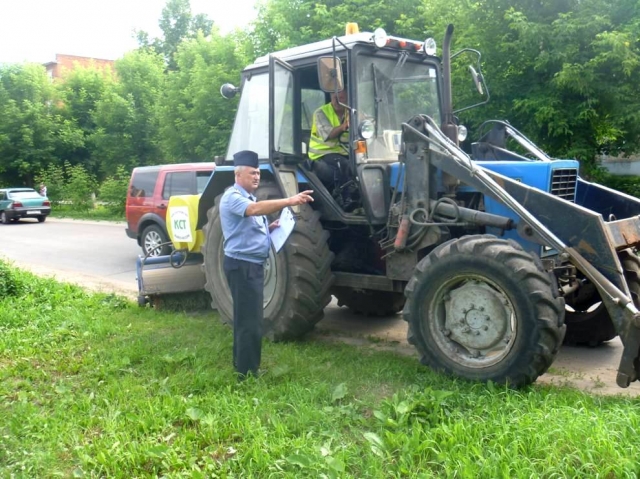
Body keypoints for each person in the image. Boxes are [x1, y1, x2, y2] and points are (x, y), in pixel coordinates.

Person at [220, 150, 314, 379]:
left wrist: (270, 229)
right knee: (248, 322)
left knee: (250, 319)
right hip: (242, 266)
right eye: (252, 173)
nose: (256, 177)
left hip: (251, 266)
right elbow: (253, 211)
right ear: (238, 174)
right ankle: (246, 373)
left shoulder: (250, 198)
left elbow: (250, 222)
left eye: (258, 173)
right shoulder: (232, 197)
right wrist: (290, 200)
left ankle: (244, 366)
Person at [308, 89, 351, 196]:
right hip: (322, 153)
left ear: (348, 99)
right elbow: (329, 134)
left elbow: (367, 122)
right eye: (334, 99)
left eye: (341, 99)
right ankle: (346, 199)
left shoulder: (351, 112)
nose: (337, 102)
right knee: (343, 165)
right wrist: (343, 126)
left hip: (345, 152)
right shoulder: (320, 113)